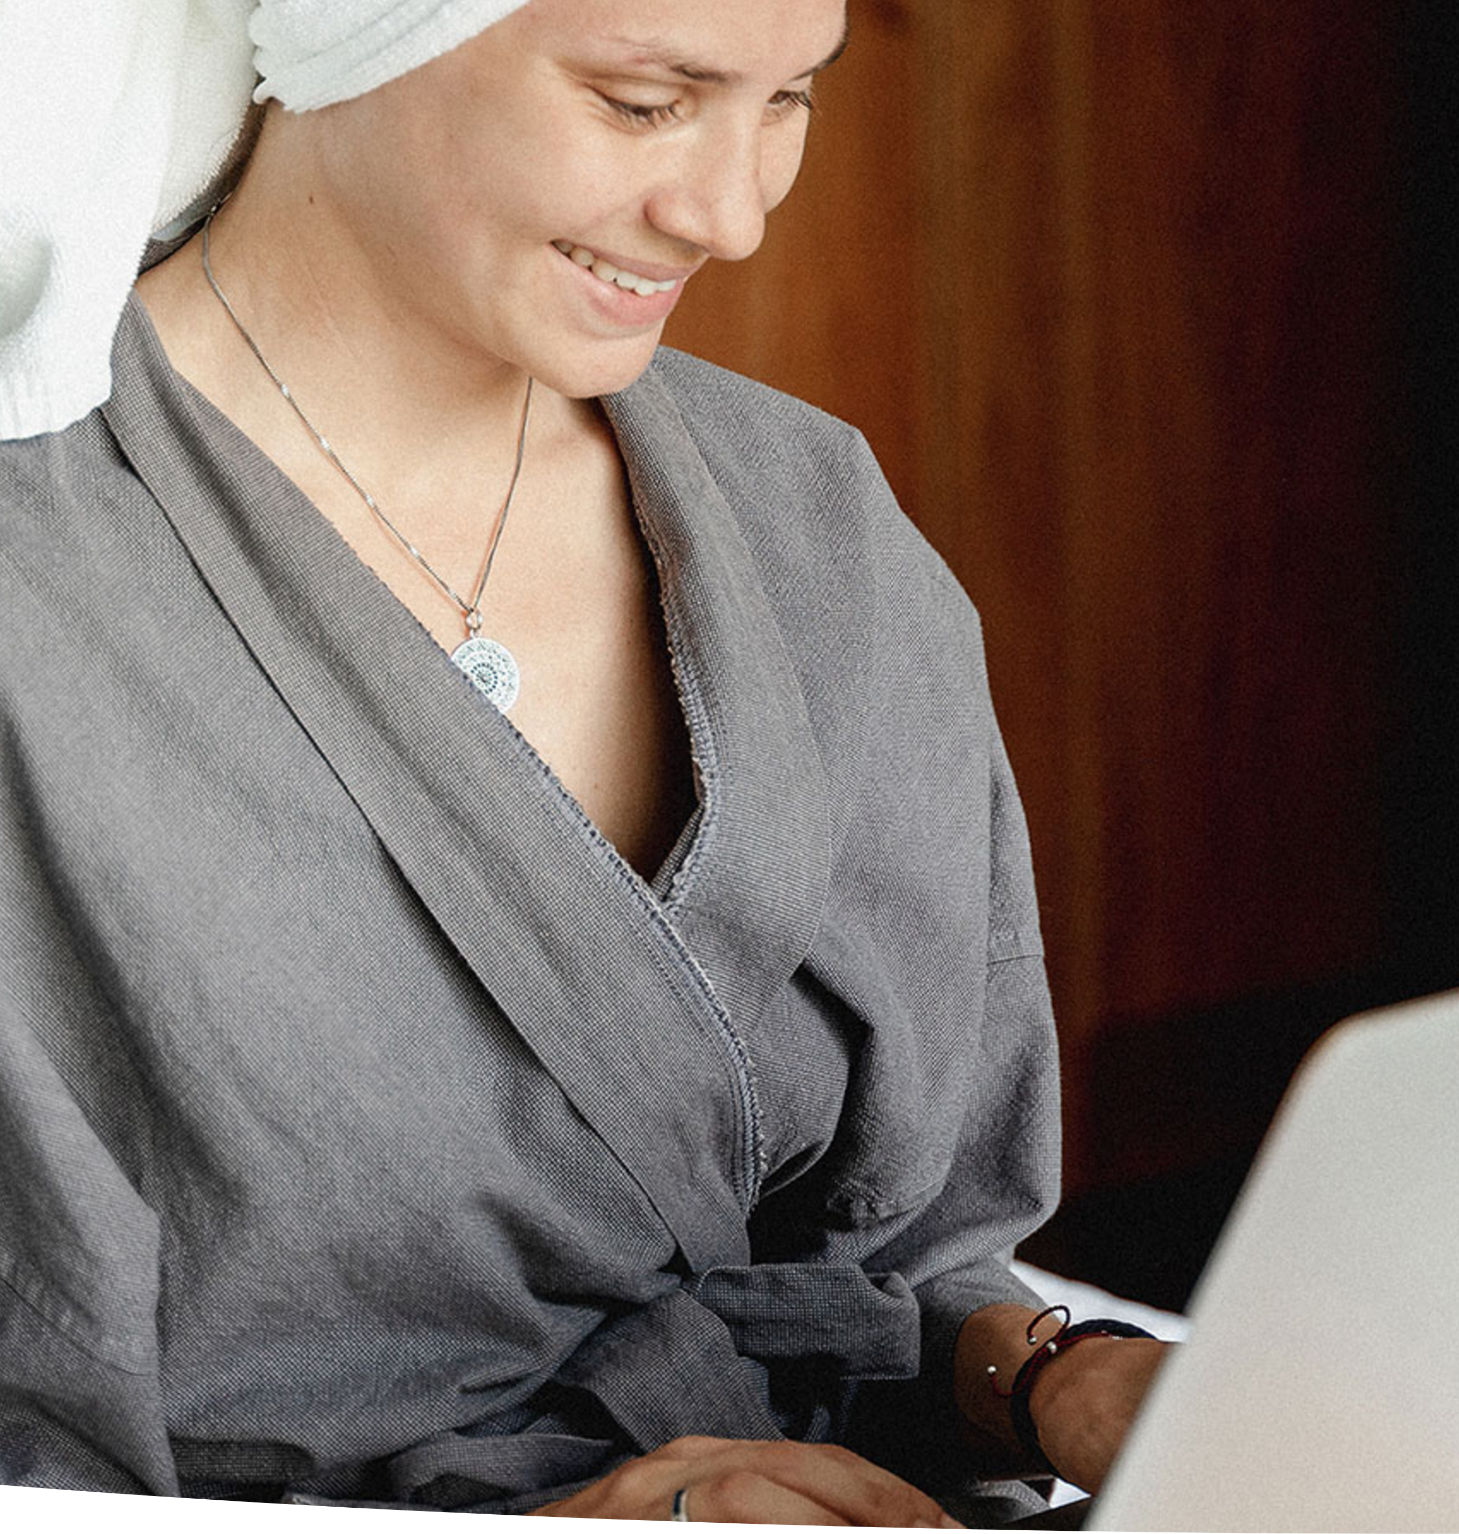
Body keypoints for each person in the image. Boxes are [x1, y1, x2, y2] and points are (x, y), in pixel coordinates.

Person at [0, 0, 1163, 1520]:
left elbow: (906, 1257)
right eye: (644, 100)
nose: (730, 213)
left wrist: (1047, 1369)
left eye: (788, 100)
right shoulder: (43, 612)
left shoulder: (813, 519)